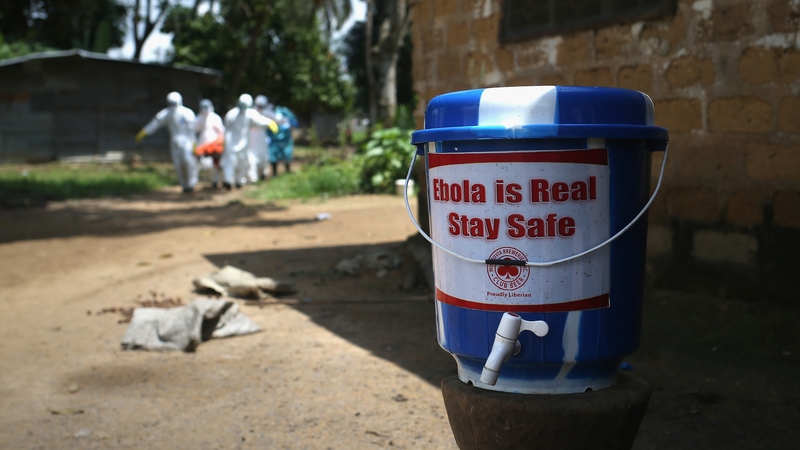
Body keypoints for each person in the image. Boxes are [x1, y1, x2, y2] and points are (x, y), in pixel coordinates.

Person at [136, 92, 198, 193]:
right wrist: (144, 132)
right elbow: (155, 124)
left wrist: (194, 144)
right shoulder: (166, 113)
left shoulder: (187, 113)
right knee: (178, 164)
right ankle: (184, 186)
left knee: (188, 162)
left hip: (187, 141)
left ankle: (191, 184)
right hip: (174, 141)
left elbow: (193, 130)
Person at [221, 94, 279, 190]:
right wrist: (270, 123)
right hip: (232, 142)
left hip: (240, 143)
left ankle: (238, 181)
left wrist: (270, 123)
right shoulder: (233, 114)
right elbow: (226, 127)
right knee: (231, 162)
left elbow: (260, 121)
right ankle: (229, 181)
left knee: (240, 161)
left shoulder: (248, 113)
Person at [194, 99, 225, 188]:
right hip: (202, 143)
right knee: (202, 163)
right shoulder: (199, 118)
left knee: (215, 163)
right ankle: (203, 179)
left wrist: (220, 143)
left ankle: (215, 180)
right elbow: (194, 130)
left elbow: (221, 131)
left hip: (214, 144)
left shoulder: (215, 118)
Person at [248, 95, 280, 181]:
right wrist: (269, 123)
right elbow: (259, 121)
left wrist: (283, 121)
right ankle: (253, 178)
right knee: (252, 157)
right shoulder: (251, 112)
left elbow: (278, 118)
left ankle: (263, 173)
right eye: (258, 106)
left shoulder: (266, 112)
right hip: (251, 137)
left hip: (262, 138)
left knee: (263, 156)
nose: (259, 108)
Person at [267, 103, 299, 176]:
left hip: (285, 139)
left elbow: (295, 122)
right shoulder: (267, 112)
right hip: (274, 139)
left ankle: (288, 171)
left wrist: (288, 123)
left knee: (286, 154)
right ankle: (275, 173)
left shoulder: (283, 111)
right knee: (273, 156)